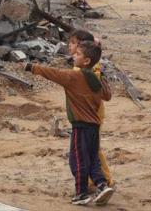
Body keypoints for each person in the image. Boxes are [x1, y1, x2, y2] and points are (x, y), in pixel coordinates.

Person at [24, 41, 115, 205]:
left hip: (81, 126)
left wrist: (32, 67)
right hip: (94, 126)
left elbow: (53, 73)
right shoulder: (96, 79)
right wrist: (102, 76)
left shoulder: (75, 76)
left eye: (78, 54)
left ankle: (81, 193)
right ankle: (102, 185)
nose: (74, 55)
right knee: (93, 158)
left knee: (78, 159)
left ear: (86, 61)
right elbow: (107, 96)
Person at [68, 30, 115, 198]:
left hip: (89, 116)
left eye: (74, 43)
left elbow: (101, 93)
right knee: (89, 150)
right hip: (86, 115)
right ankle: (96, 181)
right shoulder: (81, 66)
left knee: (90, 151)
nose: (70, 46)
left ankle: (103, 181)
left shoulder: (90, 69)